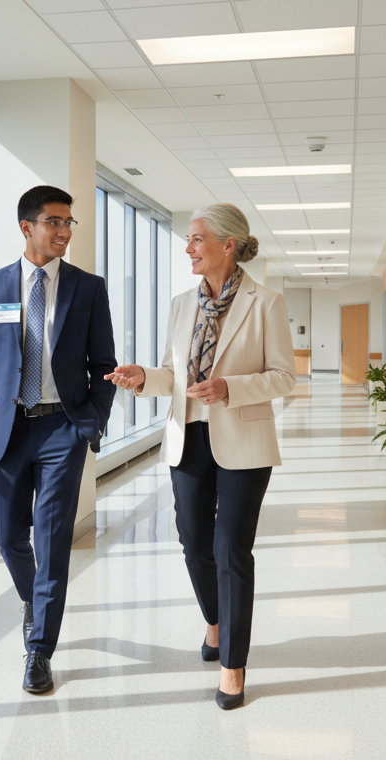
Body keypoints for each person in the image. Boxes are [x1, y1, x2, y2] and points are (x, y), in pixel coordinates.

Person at [106, 203, 295, 710]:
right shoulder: (180, 304)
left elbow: (284, 376)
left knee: (232, 548)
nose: (188, 248)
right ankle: (215, 621)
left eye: (196, 239)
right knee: (194, 543)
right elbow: (174, 374)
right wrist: (146, 378)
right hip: (187, 437)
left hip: (244, 443)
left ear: (226, 245)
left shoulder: (266, 303)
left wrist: (230, 388)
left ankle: (233, 665)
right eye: (188, 240)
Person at [0, 185, 117, 694]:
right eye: (55, 222)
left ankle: (39, 651)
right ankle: (37, 601)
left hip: (61, 430)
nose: (65, 231)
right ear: (27, 227)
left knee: (51, 542)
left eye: (70, 223)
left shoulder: (87, 288)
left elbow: (104, 366)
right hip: (6, 430)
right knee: (7, 535)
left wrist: (88, 423)